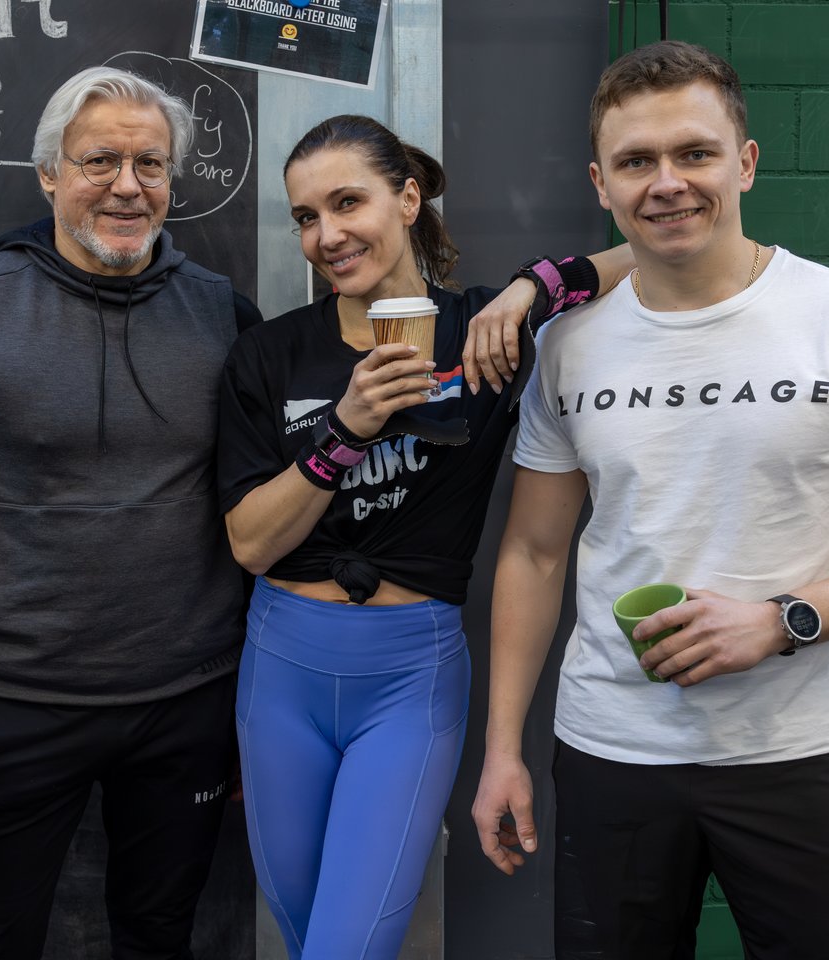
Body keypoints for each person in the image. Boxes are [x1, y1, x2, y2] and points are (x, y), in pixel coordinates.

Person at [471, 40, 829, 960]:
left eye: (694, 153)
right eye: (637, 161)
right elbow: (534, 553)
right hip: (611, 750)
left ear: (744, 162)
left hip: (790, 752)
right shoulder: (569, 346)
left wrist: (781, 620)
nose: (668, 183)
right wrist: (503, 749)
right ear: (601, 184)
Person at [216, 114, 632, 960]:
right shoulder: (267, 353)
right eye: (306, 217)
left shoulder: (486, 333)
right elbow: (251, 545)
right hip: (282, 669)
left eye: (347, 203)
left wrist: (530, 290)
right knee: (304, 934)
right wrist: (344, 429)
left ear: (408, 200)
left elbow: (646, 254)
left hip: (409, 678)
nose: (327, 236)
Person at [0, 66, 261, 959]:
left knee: (159, 939)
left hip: (190, 709)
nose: (128, 185)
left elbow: (258, 517)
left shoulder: (225, 316)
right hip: (19, 707)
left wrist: (256, 715)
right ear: (48, 174)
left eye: (150, 164)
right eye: (100, 161)